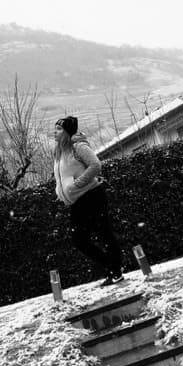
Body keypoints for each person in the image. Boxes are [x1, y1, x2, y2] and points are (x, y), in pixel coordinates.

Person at [53, 115, 124, 286]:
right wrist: (61, 192)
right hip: (77, 202)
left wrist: (76, 184)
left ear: (67, 132)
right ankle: (111, 267)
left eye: (58, 129)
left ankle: (116, 270)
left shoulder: (78, 147)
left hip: (92, 196)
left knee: (103, 233)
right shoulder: (60, 152)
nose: (54, 133)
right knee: (79, 240)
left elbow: (95, 165)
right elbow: (62, 177)